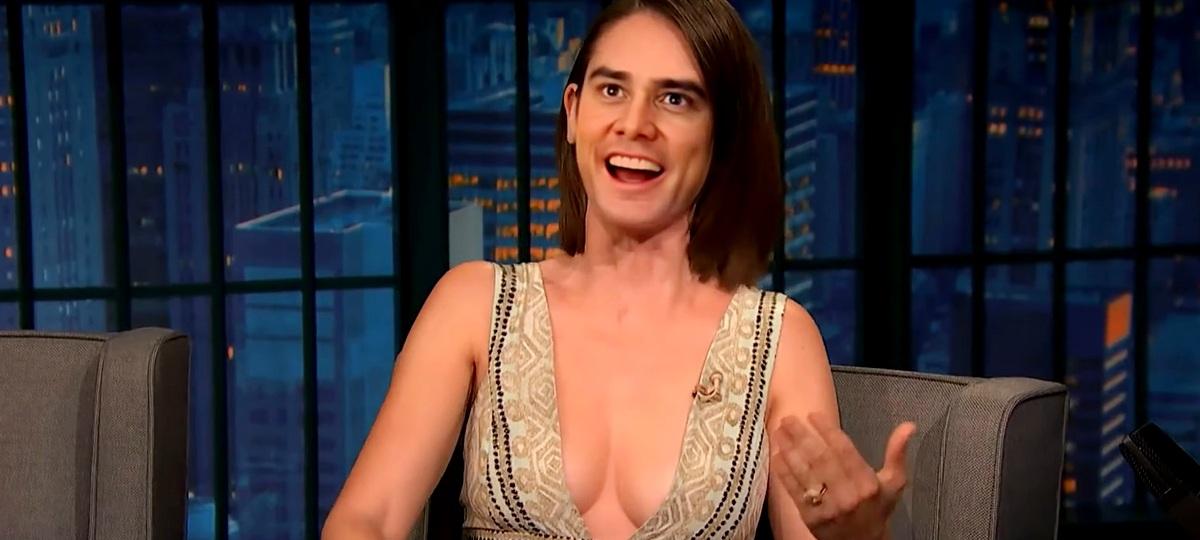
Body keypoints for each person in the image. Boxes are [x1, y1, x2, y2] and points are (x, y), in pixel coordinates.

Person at [323, 1, 916, 538]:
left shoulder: (778, 338)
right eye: (612, 90)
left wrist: (858, 539)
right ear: (573, 112)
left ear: (723, 135)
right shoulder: (474, 305)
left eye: (675, 99)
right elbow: (364, 520)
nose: (634, 124)